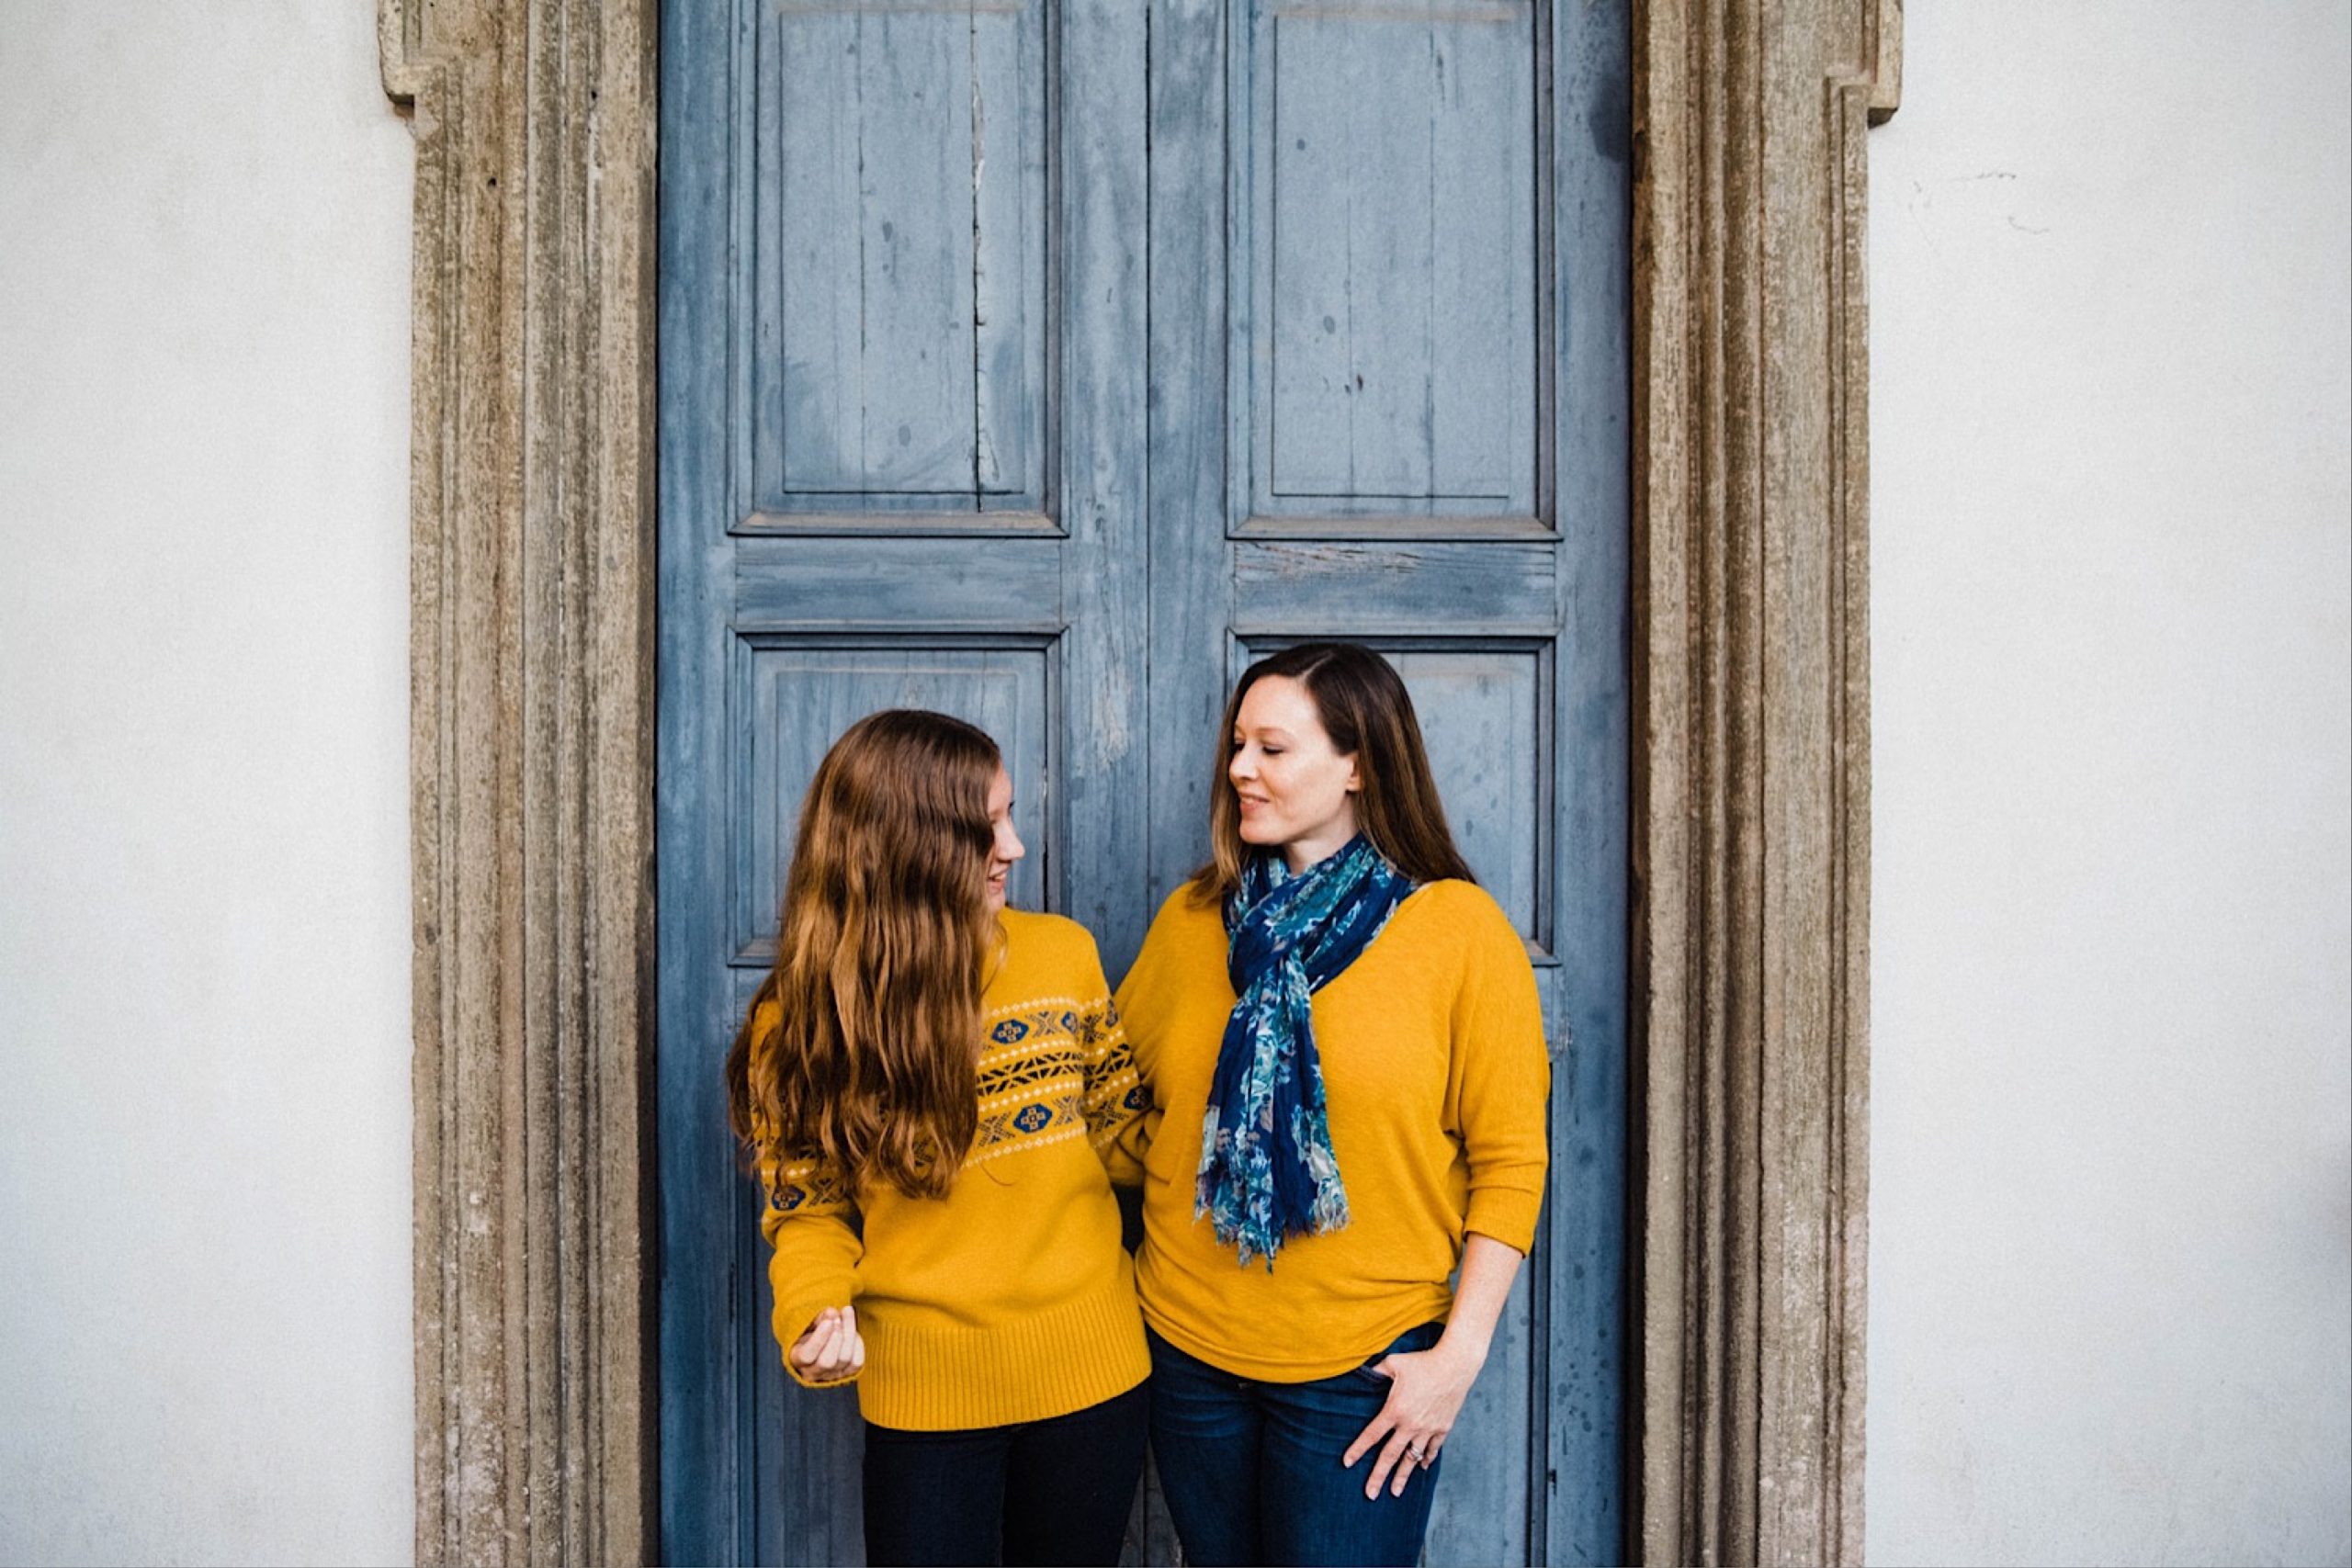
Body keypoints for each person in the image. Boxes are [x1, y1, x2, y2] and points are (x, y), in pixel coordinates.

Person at [1115, 642, 1551, 1568]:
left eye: (1272, 749)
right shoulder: (1195, 920)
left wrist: (1455, 1362)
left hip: (1363, 1371)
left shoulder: (1457, 931)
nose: (1239, 768)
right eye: (1238, 745)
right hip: (1188, 1353)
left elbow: (1510, 1161)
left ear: (1357, 765)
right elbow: (1118, 1094)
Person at [724, 708, 1151, 1568]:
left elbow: (1128, 1143)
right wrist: (812, 1311)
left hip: (1094, 1378)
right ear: (908, 843)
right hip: (924, 1398)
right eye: (987, 823)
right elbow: (807, 1209)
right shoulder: (803, 1023)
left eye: (1010, 813)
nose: (1016, 846)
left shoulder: (1064, 956)